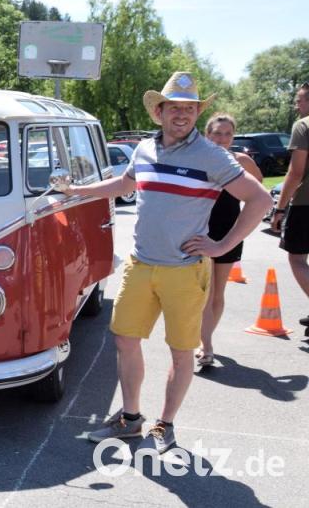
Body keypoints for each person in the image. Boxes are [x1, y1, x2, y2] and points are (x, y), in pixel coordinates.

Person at [64, 72, 270, 454]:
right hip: (141, 266)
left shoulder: (212, 155)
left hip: (184, 271)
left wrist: (222, 244)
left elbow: (261, 200)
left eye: (189, 108)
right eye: (174, 107)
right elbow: (123, 185)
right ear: (159, 111)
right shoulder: (144, 149)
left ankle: (166, 425)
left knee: (180, 350)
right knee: (125, 340)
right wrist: (76, 191)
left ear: (196, 113)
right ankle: (130, 419)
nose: (182, 115)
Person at [197, 113, 262, 366]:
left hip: (229, 231)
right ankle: (206, 344)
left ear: (233, 137)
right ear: (207, 134)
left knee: (217, 293)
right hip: (200, 231)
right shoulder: (198, 159)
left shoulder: (241, 160)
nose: (222, 138)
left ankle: (207, 340)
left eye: (227, 134)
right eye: (217, 133)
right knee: (204, 291)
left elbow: (258, 190)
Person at [271, 81, 309, 337]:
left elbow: (295, 172)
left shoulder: (303, 126)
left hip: (306, 203)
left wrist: (280, 208)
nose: (296, 105)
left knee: (296, 258)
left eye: (300, 99)